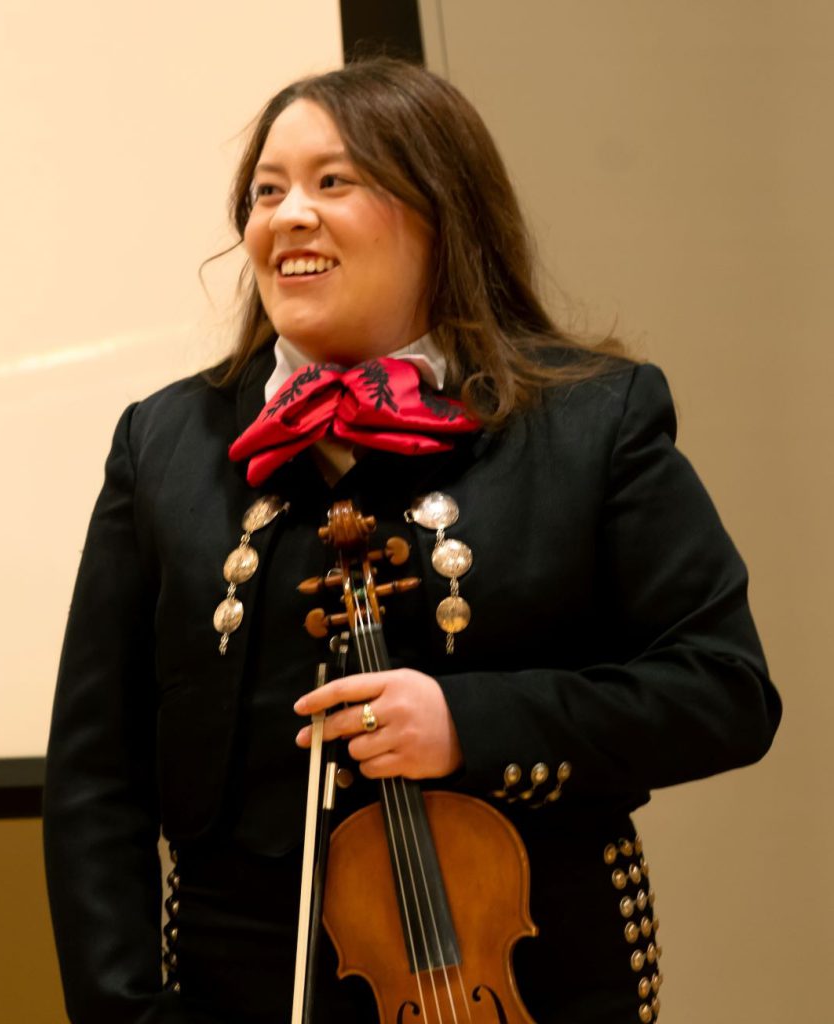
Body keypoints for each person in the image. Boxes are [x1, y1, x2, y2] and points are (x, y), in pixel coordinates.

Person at [43, 58, 781, 1024]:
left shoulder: (593, 418)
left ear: (443, 209)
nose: (287, 216)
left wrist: (468, 725)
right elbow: (98, 773)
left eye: (332, 181)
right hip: (239, 989)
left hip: (528, 986)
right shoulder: (166, 441)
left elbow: (723, 691)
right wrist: (127, 1011)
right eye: (266, 192)